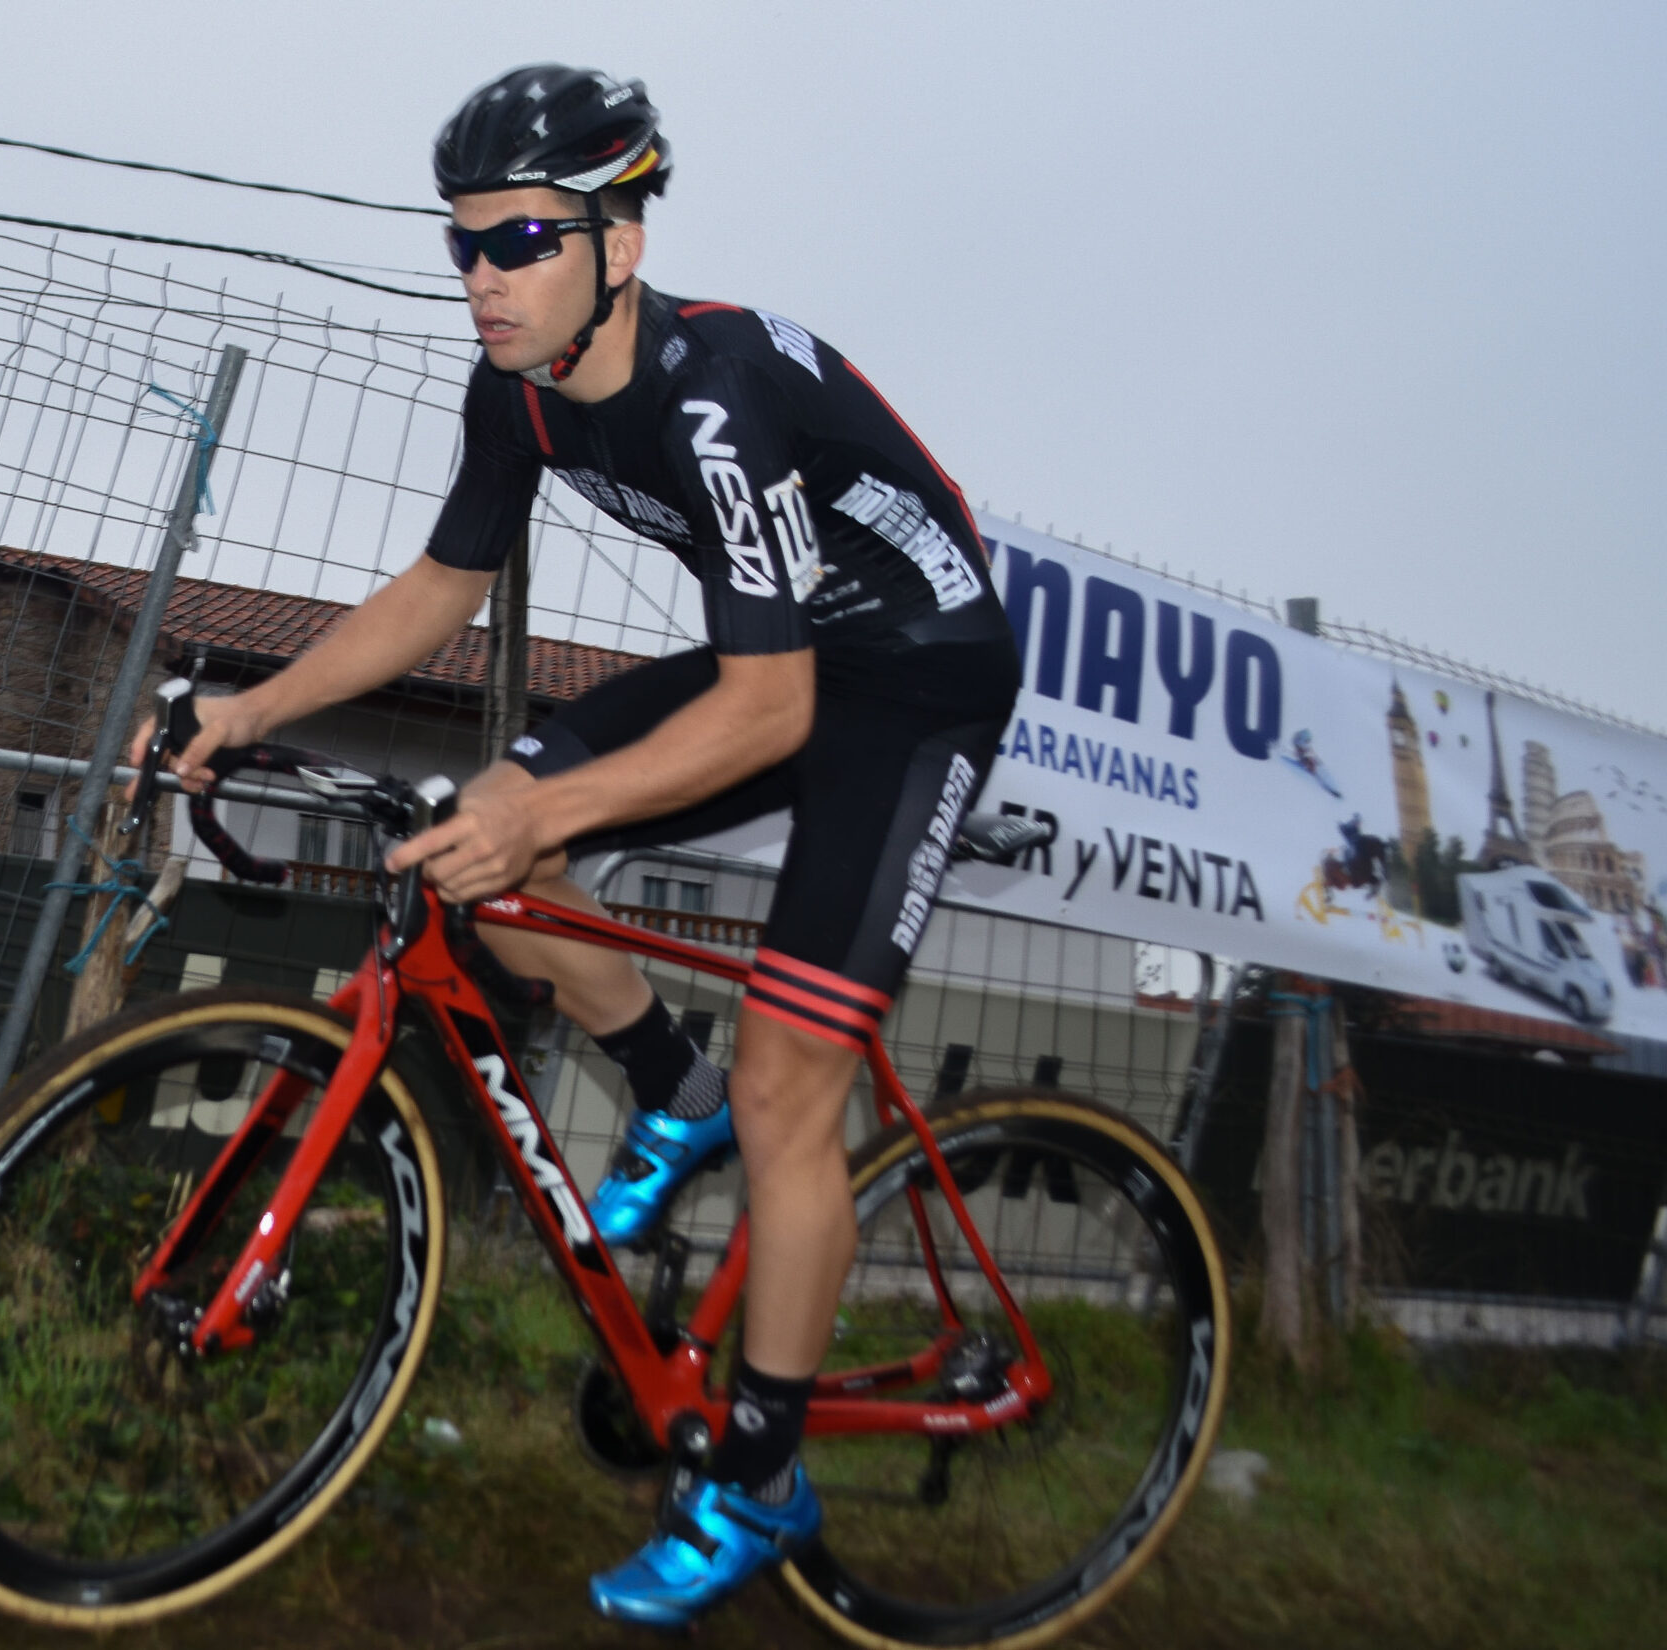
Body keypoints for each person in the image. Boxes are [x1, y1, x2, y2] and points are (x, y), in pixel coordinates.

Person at [142, 64, 1021, 1629]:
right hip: (794, 660)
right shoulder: (520, 386)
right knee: (493, 838)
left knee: (789, 1081)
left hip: (918, 677)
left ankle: (757, 1477)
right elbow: (436, 594)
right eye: (464, 245)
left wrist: (551, 802)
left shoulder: (716, 391)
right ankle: (672, 1091)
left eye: (523, 241)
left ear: (618, 242)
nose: (484, 279)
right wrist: (250, 701)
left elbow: (768, 710)